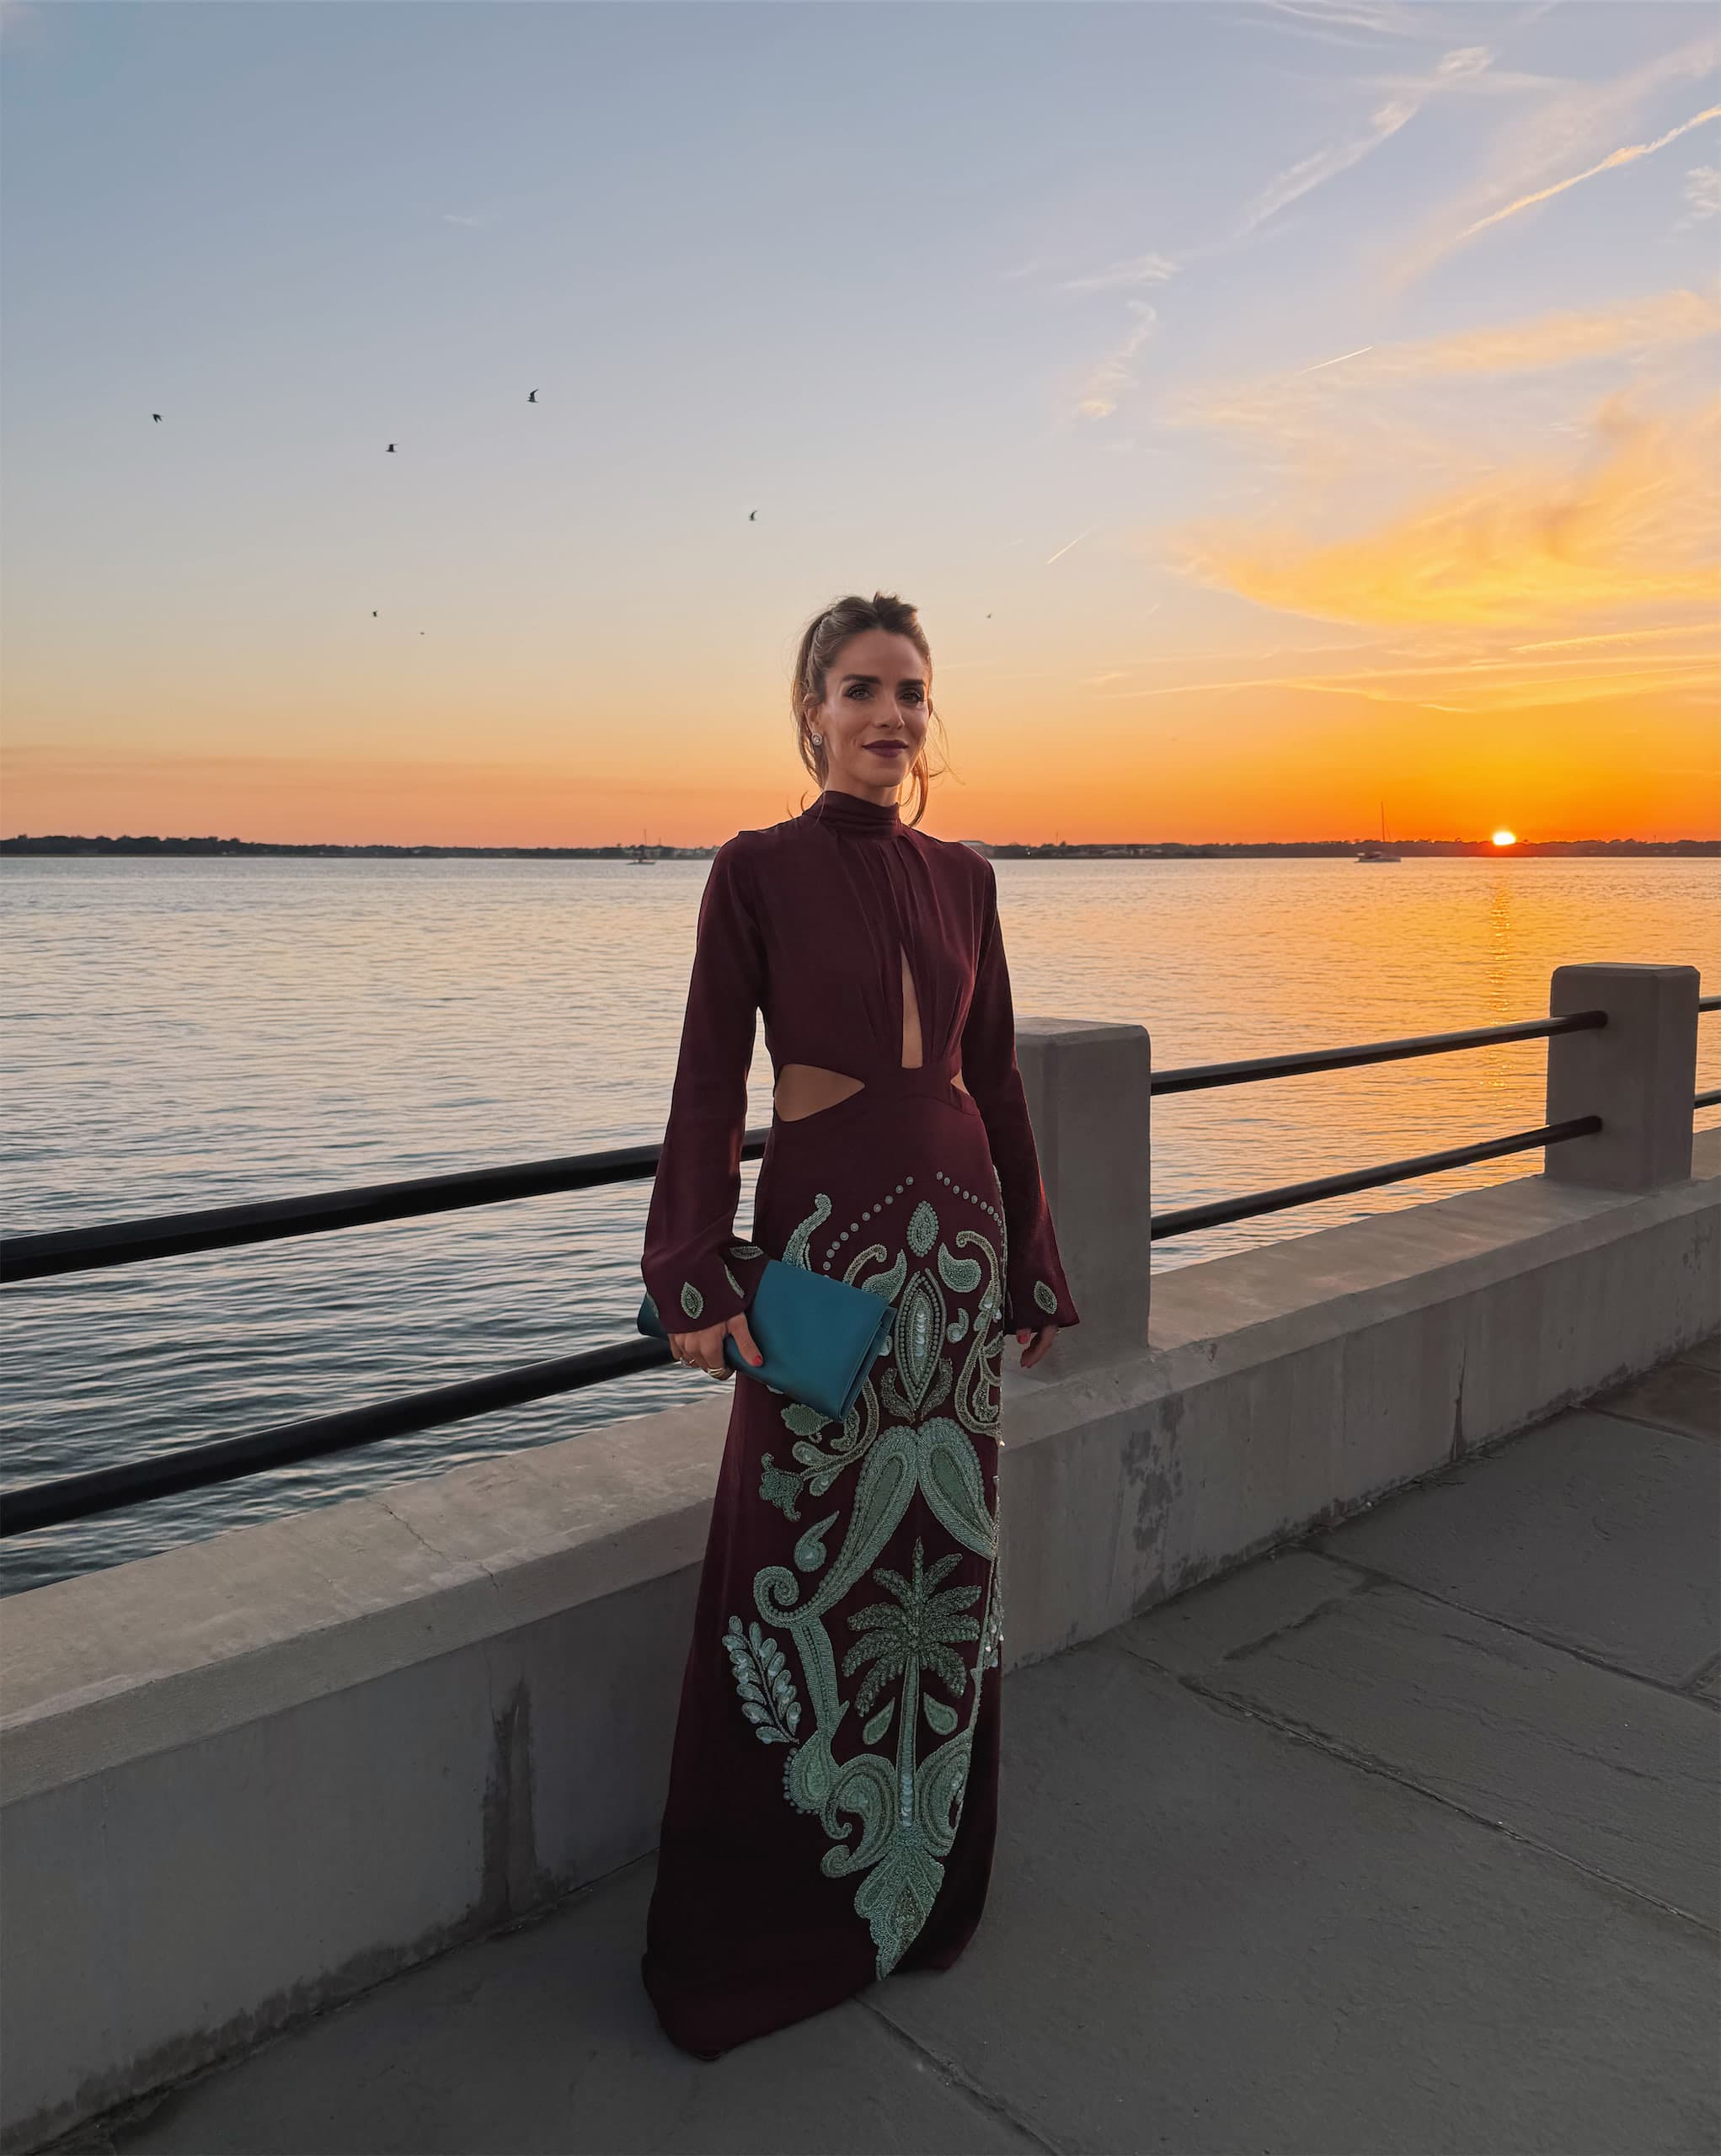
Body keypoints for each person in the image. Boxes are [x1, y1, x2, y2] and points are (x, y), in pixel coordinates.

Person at [638, 590, 1080, 2059]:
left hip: (957, 1265)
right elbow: (709, 1082)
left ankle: (921, 1893)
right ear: (811, 708)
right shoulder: (751, 870)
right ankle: (773, 1922)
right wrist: (694, 1271)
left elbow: (1000, 1084)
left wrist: (1033, 1266)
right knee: (796, 1564)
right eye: (861, 689)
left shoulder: (968, 879)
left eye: (910, 693)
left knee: (939, 1579)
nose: (889, 715)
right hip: (827, 1254)